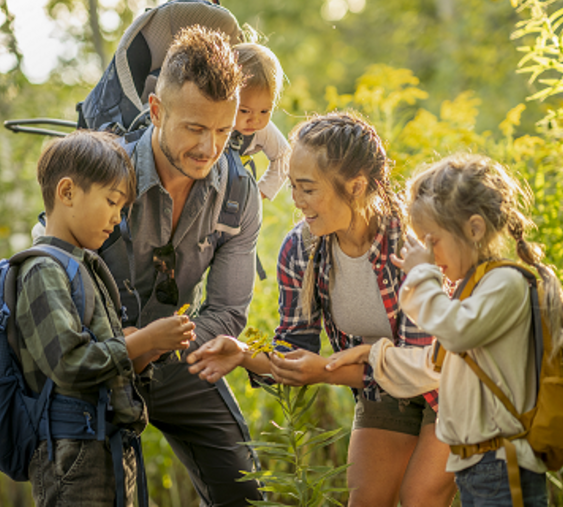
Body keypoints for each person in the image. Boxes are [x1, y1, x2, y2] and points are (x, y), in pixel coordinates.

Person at [188, 111, 457, 506]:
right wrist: (244, 354)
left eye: (308, 188)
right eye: (293, 186)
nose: (296, 201)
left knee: (419, 497)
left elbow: (419, 368)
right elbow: (296, 351)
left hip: (451, 384)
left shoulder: (409, 245)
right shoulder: (301, 249)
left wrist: (325, 375)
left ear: (356, 185)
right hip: (381, 387)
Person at [327, 153, 563, 506]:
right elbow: (438, 365)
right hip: (476, 464)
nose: (430, 256)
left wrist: (423, 275)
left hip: (504, 463)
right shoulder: (474, 289)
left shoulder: (505, 285)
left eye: (433, 241)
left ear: (474, 229)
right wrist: (373, 355)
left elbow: (456, 332)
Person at [98, 25, 264, 506]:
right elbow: (56, 290)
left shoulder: (239, 193)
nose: (209, 149)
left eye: (223, 131)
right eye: (194, 128)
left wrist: (163, 348)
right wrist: (134, 347)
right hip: (101, 362)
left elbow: (229, 311)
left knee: (248, 493)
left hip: (181, 359)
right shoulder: (102, 173)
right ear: (155, 111)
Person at [17, 130, 195, 506]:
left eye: (122, 207)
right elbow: (69, 364)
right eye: (112, 202)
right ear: (67, 193)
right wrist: (142, 341)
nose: (117, 218)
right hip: (71, 455)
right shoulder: (42, 271)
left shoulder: (83, 267)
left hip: (106, 445)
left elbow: (104, 361)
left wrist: (146, 350)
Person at [229, 42, 291, 200]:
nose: (255, 120)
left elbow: (284, 156)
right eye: (244, 111)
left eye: (265, 111)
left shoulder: (261, 129)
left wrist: (258, 194)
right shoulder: (209, 120)